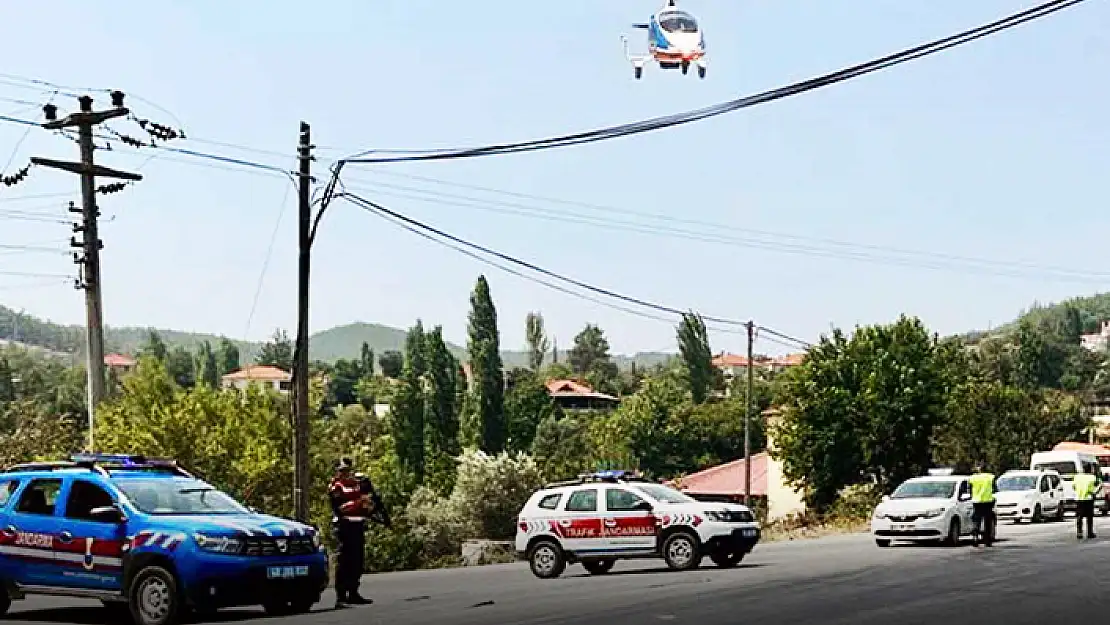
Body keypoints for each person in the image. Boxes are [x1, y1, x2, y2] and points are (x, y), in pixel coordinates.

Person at [328, 457, 374, 607]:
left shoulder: (356, 485)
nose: (346, 474)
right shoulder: (336, 486)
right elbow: (341, 507)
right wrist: (358, 503)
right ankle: (341, 597)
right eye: (342, 471)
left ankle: (353, 592)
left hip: (358, 524)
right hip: (344, 525)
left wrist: (367, 502)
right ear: (337, 472)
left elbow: (367, 503)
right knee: (344, 560)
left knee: (358, 559)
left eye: (347, 470)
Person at [968, 466, 997, 547]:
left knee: (976, 520)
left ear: (978, 470)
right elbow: (995, 489)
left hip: (977, 501)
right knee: (987, 521)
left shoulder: (973, 478)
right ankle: (987, 540)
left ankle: (975, 538)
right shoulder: (990, 477)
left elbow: (969, 489)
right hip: (988, 501)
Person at [1073, 465, 1099, 540]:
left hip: (1079, 498)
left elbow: (1074, 487)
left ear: (1083, 470)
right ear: (1090, 470)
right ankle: (1090, 532)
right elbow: (1093, 489)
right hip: (1088, 499)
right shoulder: (1092, 477)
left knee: (1079, 517)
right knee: (1089, 517)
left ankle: (1079, 532)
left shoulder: (1077, 477)